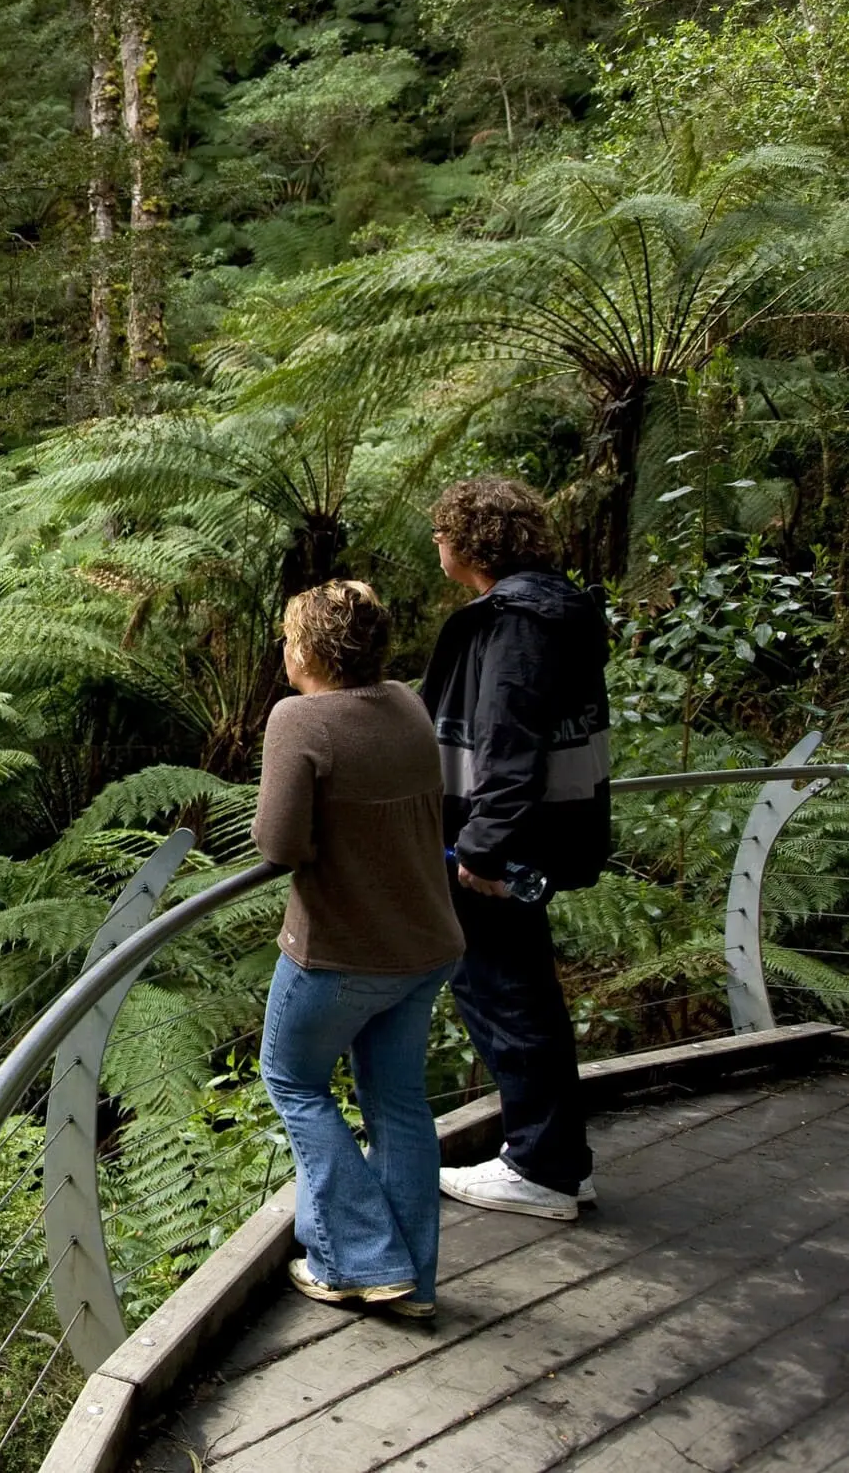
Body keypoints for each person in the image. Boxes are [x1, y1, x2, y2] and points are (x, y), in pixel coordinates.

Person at [255, 580, 463, 1320]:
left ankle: (359, 1261)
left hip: (341, 954)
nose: (283, 650)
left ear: (310, 648)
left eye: (287, 637)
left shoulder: (301, 720)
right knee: (399, 1104)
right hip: (426, 941)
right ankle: (414, 1282)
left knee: (293, 1082)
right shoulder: (404, 703)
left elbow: (278, 844)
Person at [423, 477, 611, 1221]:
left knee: (504, 996)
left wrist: (483, 847)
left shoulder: (516, 623)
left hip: (504, 846)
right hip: (539, 833)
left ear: (469, 544)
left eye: (442, 534)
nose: (437, 545)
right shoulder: (552, 609)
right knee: (524, 990)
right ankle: (559, 1159)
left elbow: (507, 743)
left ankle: (542, 1168)